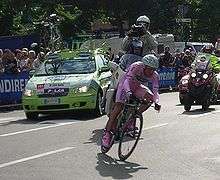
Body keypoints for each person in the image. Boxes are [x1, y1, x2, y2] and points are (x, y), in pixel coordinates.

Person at [101, 54, 161, 149]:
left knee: (150, 98)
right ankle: (107, 133)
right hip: (125, 85)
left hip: (137, 86)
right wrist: (128, 92)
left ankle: (132, 117)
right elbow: (127, 81)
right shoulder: (136, 66)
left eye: (154, 69)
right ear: (144, 66)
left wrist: (157, 102)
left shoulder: (155, 75)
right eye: (149, 69)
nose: (151, 72)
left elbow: (155, 91)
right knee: (119, 106)